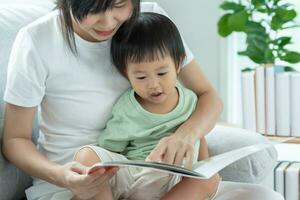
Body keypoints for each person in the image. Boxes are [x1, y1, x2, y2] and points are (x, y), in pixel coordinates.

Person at [1, 0, 284, 199]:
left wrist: (186, 136)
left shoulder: (150, 19)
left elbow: (208, 96)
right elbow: (15, 140)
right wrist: (61, 176)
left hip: (156, 173)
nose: (109, 21)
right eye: (94, 9)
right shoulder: (37, 40)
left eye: (120, 4)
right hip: (80, 181)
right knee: (93, 161)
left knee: (262, 196)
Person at [74, 12, 221, 200]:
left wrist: (204, 165)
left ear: (178, 63)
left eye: (162, 73)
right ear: (125, 74)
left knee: (209, 178)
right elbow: (111, 148)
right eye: (141, 77)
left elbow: (198, 142)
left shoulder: (191, 101)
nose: (153, 84)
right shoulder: (127, 107)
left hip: (173, 182)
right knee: (87, 156)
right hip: (135, 175)